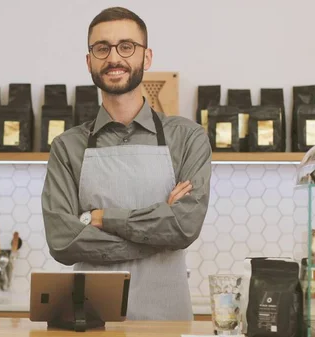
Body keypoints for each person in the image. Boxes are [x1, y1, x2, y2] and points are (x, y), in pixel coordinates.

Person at [41, 6, 212, 321]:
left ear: (146, 58)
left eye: (126, 47)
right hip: (89, 321)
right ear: (89, 61)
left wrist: (101, 218)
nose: (113, 58)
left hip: (167, 322)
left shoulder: (187, 138)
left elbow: (185, 225)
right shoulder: (67, 147)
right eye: (102, 48)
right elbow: (63, 242)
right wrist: (160, 237)